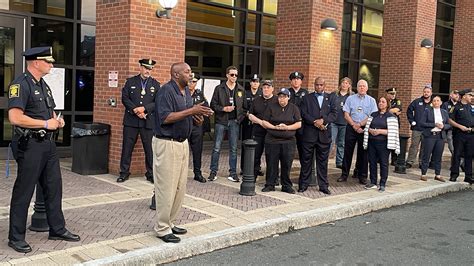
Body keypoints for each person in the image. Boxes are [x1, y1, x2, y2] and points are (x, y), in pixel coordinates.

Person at [7, 46, 80, 253]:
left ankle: (57, 228)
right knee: (24, 190)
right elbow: (15, 118)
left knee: (53, 187)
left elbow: (49, 112)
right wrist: (45, 124)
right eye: (48, 62)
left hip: (47, 144)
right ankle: (16, 237)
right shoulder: (21, 84)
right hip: (30, 145)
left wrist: (57, 121)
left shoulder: (43, 85)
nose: (51, 65)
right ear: (36, 62)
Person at [153, 62, 213, 243]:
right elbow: (165, 117)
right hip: (167, 143)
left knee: (179, 187)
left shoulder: (186, 92)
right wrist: (191, 110)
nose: (191, 75)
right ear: (176, 74)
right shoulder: (166, 91)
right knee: (166, 188)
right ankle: (162, 228)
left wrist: (198, 118)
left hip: (182, 144)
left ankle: (171, 222)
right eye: (187, 72)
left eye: (191, 72)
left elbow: (187, 116)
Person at [117, 59, 160, 183]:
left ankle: (150, 173)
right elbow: (125, 98)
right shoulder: (130, 82)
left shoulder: (155, 84)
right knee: (127, 148)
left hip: (148, 121)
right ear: (140, 67)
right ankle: (124, 172)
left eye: (150, 69)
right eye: (146, 68)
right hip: (131, 121)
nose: (148, 71)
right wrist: (135, 109)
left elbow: (157, 102)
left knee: (150, 150)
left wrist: (144, 109)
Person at [298, 77, 337, 194]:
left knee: (323, 162)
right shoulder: (306, 98)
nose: (319, 87)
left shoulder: (331, 98)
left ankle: (323, 186)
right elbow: (303, 113)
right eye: (317, 85)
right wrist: (315, 122)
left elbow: (334, 114)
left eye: (321, 85)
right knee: (306, 161)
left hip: (324, 135)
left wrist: (323, 121)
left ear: (324, 85)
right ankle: (303, 184)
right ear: (314, 85)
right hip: (309, 134)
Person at [260, 88, 302, 193]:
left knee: (287, 164)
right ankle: (270, 184)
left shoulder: (294, 108)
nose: (281, 99)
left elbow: (299, 124)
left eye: (284, 97)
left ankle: (286, 185)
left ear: (288, 97)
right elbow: (264, 122)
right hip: (272, 140)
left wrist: (287, 127)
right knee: (271, 163)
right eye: (280, 97)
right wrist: (275, 127)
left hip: (288, 141)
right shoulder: (271, 107)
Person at [209, 66, 246, 182]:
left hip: (234, 122)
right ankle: (213, 172)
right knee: (216, 147)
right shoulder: (219, 88)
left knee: (234, 149)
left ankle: (233, 173)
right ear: (227, 75)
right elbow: (213, 105)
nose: (234, 77)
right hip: (221, 121)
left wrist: (238, 119)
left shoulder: (240, 89)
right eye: (232, 75)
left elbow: (244, 108)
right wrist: (223, 109)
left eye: (236, 75)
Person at [337, 79, 378, 185]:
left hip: (364, 128)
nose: (362, 88)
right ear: (357, 87)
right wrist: (354, 125)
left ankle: (362, 176)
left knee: (363, 153)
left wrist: (360, 125)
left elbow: (372, 116)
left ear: (367, 88)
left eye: (364, 86)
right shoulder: (350, 98)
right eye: (360, 86)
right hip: (351, 127)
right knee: (347, 152)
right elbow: (346, 114)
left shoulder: (371, 100)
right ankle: (344, 174)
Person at [363, 96, 400, 192]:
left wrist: (379, 131)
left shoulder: (391, 116)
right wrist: (371, 130)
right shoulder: (373, 114)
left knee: (384, 163)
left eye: (383, 102)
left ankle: (382, 183)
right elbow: (367, 128)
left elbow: (393, 131)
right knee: (372, 162)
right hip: (372, 142)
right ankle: (373, 182)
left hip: (383, 143)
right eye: (379, 101)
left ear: (387, 104)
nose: (380, 103)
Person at [248, 80, 277, 180]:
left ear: (272, 88)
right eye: (264, 87)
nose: (266, 89)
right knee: (255, 155)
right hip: (258, 132)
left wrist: (268, 125)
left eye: (268, 87)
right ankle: (253, 176)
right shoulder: (256, 100)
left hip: (272, 133)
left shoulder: (277, 100)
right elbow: (250, 115)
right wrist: (261, 123)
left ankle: (272, 179)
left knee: (272, 156)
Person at [419, 96, 450, 182]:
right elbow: (422, 123)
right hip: (430, 136)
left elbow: (449, 124)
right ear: (432, 103)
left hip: (440, 136)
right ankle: (424, 173)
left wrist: (443, 126)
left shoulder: (444, 112)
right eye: (434, 101)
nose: (436, 102)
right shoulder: (428, 111)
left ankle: (438, 174)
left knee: (438, 156)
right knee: (426, 155)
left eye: (438, 101)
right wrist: (434, 124)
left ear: (441, 102)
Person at [448, 89, 474, 185]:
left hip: (471, 135)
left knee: (469, 155)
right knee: (457, 154)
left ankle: (468, 176)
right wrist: (460, 127)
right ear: (464, 96)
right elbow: (450, 119)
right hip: (459, 134)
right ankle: (454, 174)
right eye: (470, 95)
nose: (471, 97)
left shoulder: (471, 107)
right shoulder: (456, 107)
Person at [240, 74, 263, 176]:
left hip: (257, 124)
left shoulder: (261, 94)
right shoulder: (245, 93)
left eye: (257, 81)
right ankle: (244, 168)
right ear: (250, 83)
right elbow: (242, 108)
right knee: (245, 145)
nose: (255, 83)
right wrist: (247, 114)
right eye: (253, 81)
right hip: (247, 123)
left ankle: (256, 168)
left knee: (258, 146)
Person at [406, 84, 432, 168]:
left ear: (431, 93)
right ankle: (410, 162)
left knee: (425, 147)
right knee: (414, 145)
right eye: (425, 92)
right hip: (417, 128)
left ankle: (422, 162)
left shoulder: (433, 103)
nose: (426, 93)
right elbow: (409, 110)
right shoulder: (417, 101)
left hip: (428, 129)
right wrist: (412, 121)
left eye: (428, 92)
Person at [189, 73, 209, 183]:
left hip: (197, 126)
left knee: (197, 151)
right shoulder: (182, 93)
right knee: (182, 151)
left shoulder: (199, 94)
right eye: (191, 81)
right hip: (185, 125)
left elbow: (206, 106)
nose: (192, 84)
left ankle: (197, 173)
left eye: (194, 82)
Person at [331, 77, 352, 169]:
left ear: (349, 85)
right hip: (334, 122)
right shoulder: (334, 94)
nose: (344, 84)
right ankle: (324, 159)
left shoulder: (351, 96)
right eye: (343, 82)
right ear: (340, 84)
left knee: (341, 143)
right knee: (330, 142)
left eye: (347, 83)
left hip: (345, 123)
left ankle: (339, 162)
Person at [385, 87, 402, 166]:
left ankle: (394, 160)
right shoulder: (384, 101)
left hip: (394, 123)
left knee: (394, 141)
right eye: (391, 94)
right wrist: (392, 110)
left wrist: (388, 110)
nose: (393, 95)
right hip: (385, 123)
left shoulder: (397, 101)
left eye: (394, 94)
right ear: (387, 94)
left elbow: (398, 110)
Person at [441, 89, 459, 155]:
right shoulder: (445, 104)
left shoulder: (460, 104)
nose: (457, 96)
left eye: (458, 94)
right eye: (455, 94)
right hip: (449, 128)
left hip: (458, 128)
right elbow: (444, 116)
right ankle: (455, 156)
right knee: (450, 140)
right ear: (451, 95)